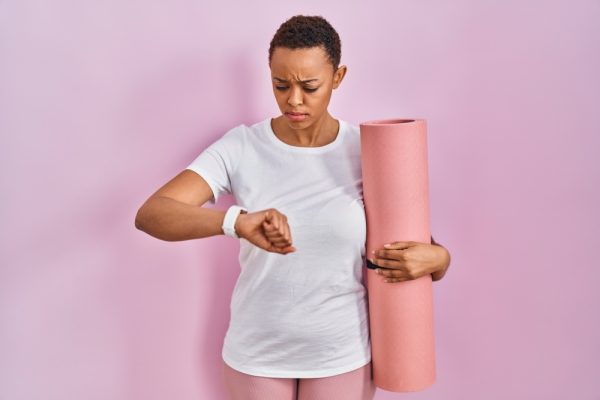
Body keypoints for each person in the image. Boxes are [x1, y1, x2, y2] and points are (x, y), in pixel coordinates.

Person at [135, 14, 451, 400]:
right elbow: (153, 213)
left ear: (338, 77)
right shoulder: (242, 147)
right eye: (280, 85)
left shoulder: (367, 149)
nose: (294, 100)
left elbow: (410, 248)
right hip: (258, 356)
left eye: (310, 86)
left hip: (342, 355)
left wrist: (440, 259)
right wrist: (237, 221)